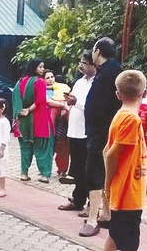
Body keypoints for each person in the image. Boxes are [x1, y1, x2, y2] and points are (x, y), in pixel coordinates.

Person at [80, 37, 123, 237]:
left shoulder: (109, 73)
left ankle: (92, 218)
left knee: (95, 171)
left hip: (102, 132)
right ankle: (106, 214)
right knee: (105, 172)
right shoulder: (112, 71)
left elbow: (101, 106)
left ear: (97, 51)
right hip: (106, 131)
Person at [103, 70, 147, 251]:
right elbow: (111, 154)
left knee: (115, 235)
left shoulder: (121, 115)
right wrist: (107, 185)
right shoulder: (131, 119)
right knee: (129, 244)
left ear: (118, 94)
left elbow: (106, 149)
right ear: (144, 94)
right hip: (128, 193)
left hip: (125, 192)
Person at [58, 51, 96, 215]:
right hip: (74, 130)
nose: (81, 65)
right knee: (77, 169)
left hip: (85, 132)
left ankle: (91, 203)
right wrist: (69, 104)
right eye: (80, 62)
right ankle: (78, 199)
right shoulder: (80, 82)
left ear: (94, 65)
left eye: (84, 63)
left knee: (87, 169)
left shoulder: (96, 83)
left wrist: (76, 103)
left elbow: (93, 107)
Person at [12, 59, 54, 183]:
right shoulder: (39, 82)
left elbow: (15, 98)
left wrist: (22, 111)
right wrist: (29, 110)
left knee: (25, 148)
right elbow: (41, 101)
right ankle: (44, 175)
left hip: (23, 122)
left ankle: (24, 173)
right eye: (40, 67)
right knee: (42, 148)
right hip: (39, 120)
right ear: (34, 68)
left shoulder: (20, 82)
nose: (43, 69)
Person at [43, 70, 70, 177]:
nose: (50, 79)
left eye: (52, 77)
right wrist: (61, 105)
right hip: (48, 122)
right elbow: (46, 102)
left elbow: (69, 99)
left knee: (63, 146)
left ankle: (63, 169)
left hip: (62, 122)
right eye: (47, 78)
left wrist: (64, 107)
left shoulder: (61, 87)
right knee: (48, 146)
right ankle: (45, 169)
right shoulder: (41, 90)